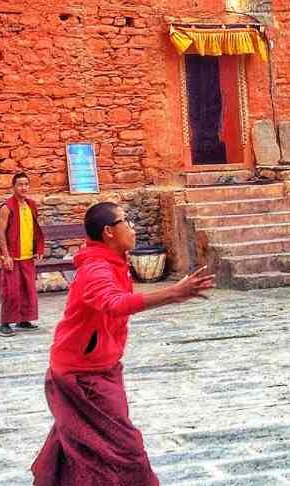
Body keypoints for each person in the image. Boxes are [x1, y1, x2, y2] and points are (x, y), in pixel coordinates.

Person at [32, 202, 215, 485]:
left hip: (99, 366)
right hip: (81, 374)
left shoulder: (111, 262)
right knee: (125, 450)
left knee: (83, 442)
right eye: (125, 221)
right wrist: (173, 293)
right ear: (108, 232)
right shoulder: (95, 269)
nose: (132, 227)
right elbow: (115, 304)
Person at [0, 172, 45, 336]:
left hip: (27, 255)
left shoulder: (31, 205)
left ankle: (23, 320)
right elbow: (2, 233)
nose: (24, 187)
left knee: (28, 289)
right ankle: (5, 323)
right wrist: (6, 255)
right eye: (20, 184)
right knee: (11, 291)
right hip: (12, 256)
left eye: (26, 184)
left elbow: (36, 229)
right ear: (13, 187)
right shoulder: (7, 207)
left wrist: (39, 248)